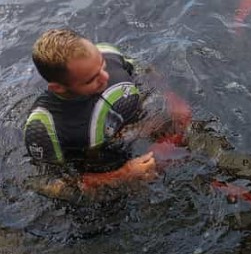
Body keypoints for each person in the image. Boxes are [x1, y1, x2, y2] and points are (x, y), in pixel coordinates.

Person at [23, 28, 192, 198]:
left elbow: (145, 71)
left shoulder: (109, 53)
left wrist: (171, 97)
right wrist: (121, 175)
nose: (105, 77)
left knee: (195, 138)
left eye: (102, 65)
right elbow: (48, 184)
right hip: (99, 161)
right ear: (58, 87)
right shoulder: (43, 127)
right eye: (91, 79)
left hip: (138, 124)